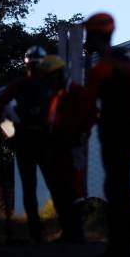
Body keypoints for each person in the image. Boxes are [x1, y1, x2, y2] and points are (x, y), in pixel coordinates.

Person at [82, 12, 130, 257]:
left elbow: (88, 105)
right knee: (121, 187)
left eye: (88, 33)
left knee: (116, 189)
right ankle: (121, 247)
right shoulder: (127, 63)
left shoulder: (103, 68)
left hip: (115, 134)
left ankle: (119, 250)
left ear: (96, 34)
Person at [0, 45, 53, 242]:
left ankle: (36, 230)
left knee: (30, 187)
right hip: (42, 141)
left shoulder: (20, 86)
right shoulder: (50, 86)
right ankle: (67, 228)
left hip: (26, 142)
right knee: (54, 184)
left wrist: (10, 134)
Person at [44, 53, 94, 243]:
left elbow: (90, 115)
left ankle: (76, 232)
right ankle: (67, 230)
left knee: (73, 189)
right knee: (60, 190)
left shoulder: (76, 92)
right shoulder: (57, 95)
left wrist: (81, 134)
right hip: (57, 148)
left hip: (71, 147)